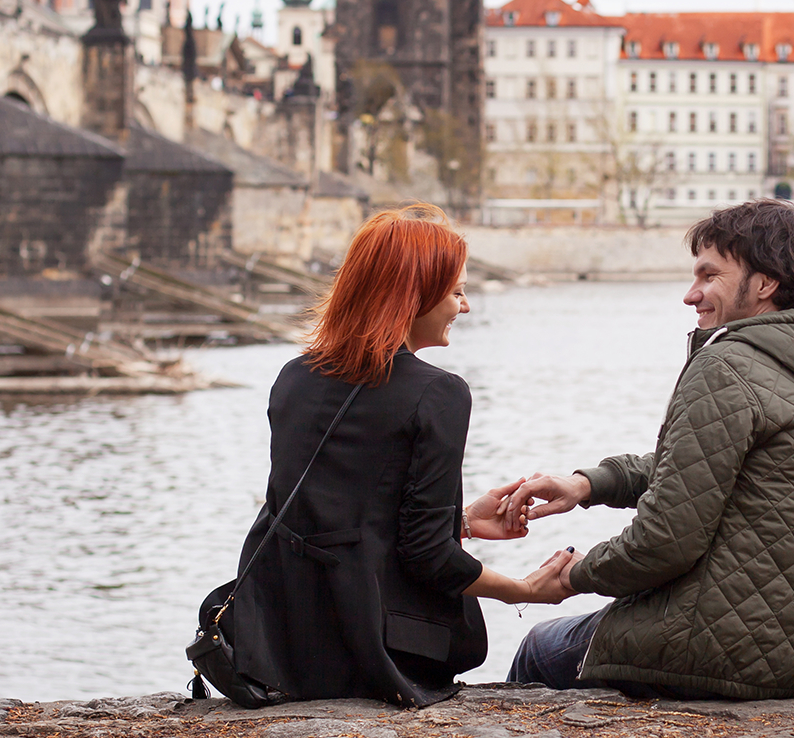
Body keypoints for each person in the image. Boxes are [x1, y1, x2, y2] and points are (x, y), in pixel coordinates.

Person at [499, 199, 794, 700]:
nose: (691, 295)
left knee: (539, 647)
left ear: (765, 283)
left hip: (726, 646)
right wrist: (588, 484)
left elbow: (666, 539)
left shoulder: (728, 363)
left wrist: (574, 575)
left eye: (709, 276)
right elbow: (700, 468)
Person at [223, 203, 574, 708]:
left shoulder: (293, 377)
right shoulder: (439, 393)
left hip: (282, 647)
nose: (465, 306)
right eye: (456, 291)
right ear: (415, 296)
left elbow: (333, 523)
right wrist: (521, 590)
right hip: (376, 657)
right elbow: (427, 556)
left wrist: (463, 522)